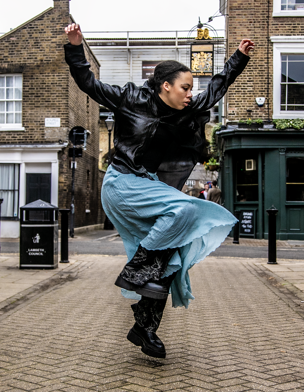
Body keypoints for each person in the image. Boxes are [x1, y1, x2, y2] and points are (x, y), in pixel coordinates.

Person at [64, 23, 254, 359]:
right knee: (187, 210)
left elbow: (216, 90)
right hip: (122, 183)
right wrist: (77, 46)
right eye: (185, 87)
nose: (190, 94)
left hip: (147, 185)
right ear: (165, 86)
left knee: (172, 260)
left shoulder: (187, 110)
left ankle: (144, 329)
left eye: (191, 88)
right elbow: (87, 83)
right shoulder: (130, 98)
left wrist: (237, 58)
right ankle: (137, 271)